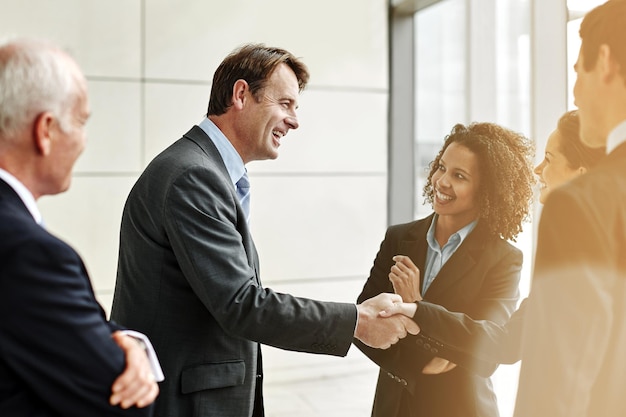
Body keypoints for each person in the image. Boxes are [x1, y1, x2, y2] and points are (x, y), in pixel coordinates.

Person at [110, 43, 419, 417]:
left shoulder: (205, 171)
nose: (294, 121)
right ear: (241, 94)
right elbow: (241, 303)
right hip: (184, 403)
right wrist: (358, 321)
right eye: (285, 104)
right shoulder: (194, 176)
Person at [0, 38, 162, 416]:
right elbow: (123, 405)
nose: (84, 140)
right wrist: (128, 356)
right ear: (46, 130)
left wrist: (120, 339)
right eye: (82, 121)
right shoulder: (30, 254)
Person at [381, 110, 606, 377]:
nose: (537, 169)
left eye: (549, 158)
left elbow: (499, 347)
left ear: (580, 174)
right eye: (441, 167)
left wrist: (417, 308)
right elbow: (506, 342)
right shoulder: (573, 247)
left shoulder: (585, 254)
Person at [355, 122, 535, 417]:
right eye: (441, 167)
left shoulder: (504, 259)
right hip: (395, 405)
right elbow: (363, 323)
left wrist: (417, 306)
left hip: (460, 407)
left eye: (459, 176)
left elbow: (486, 349)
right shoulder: (399, 238)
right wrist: (424, 362)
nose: (441, 181)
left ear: (488, 191)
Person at [513, 1, 626, 416]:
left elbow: (558, 381)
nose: (575, 89)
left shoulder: (580, 206)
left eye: (578, 72)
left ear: (606, 61)